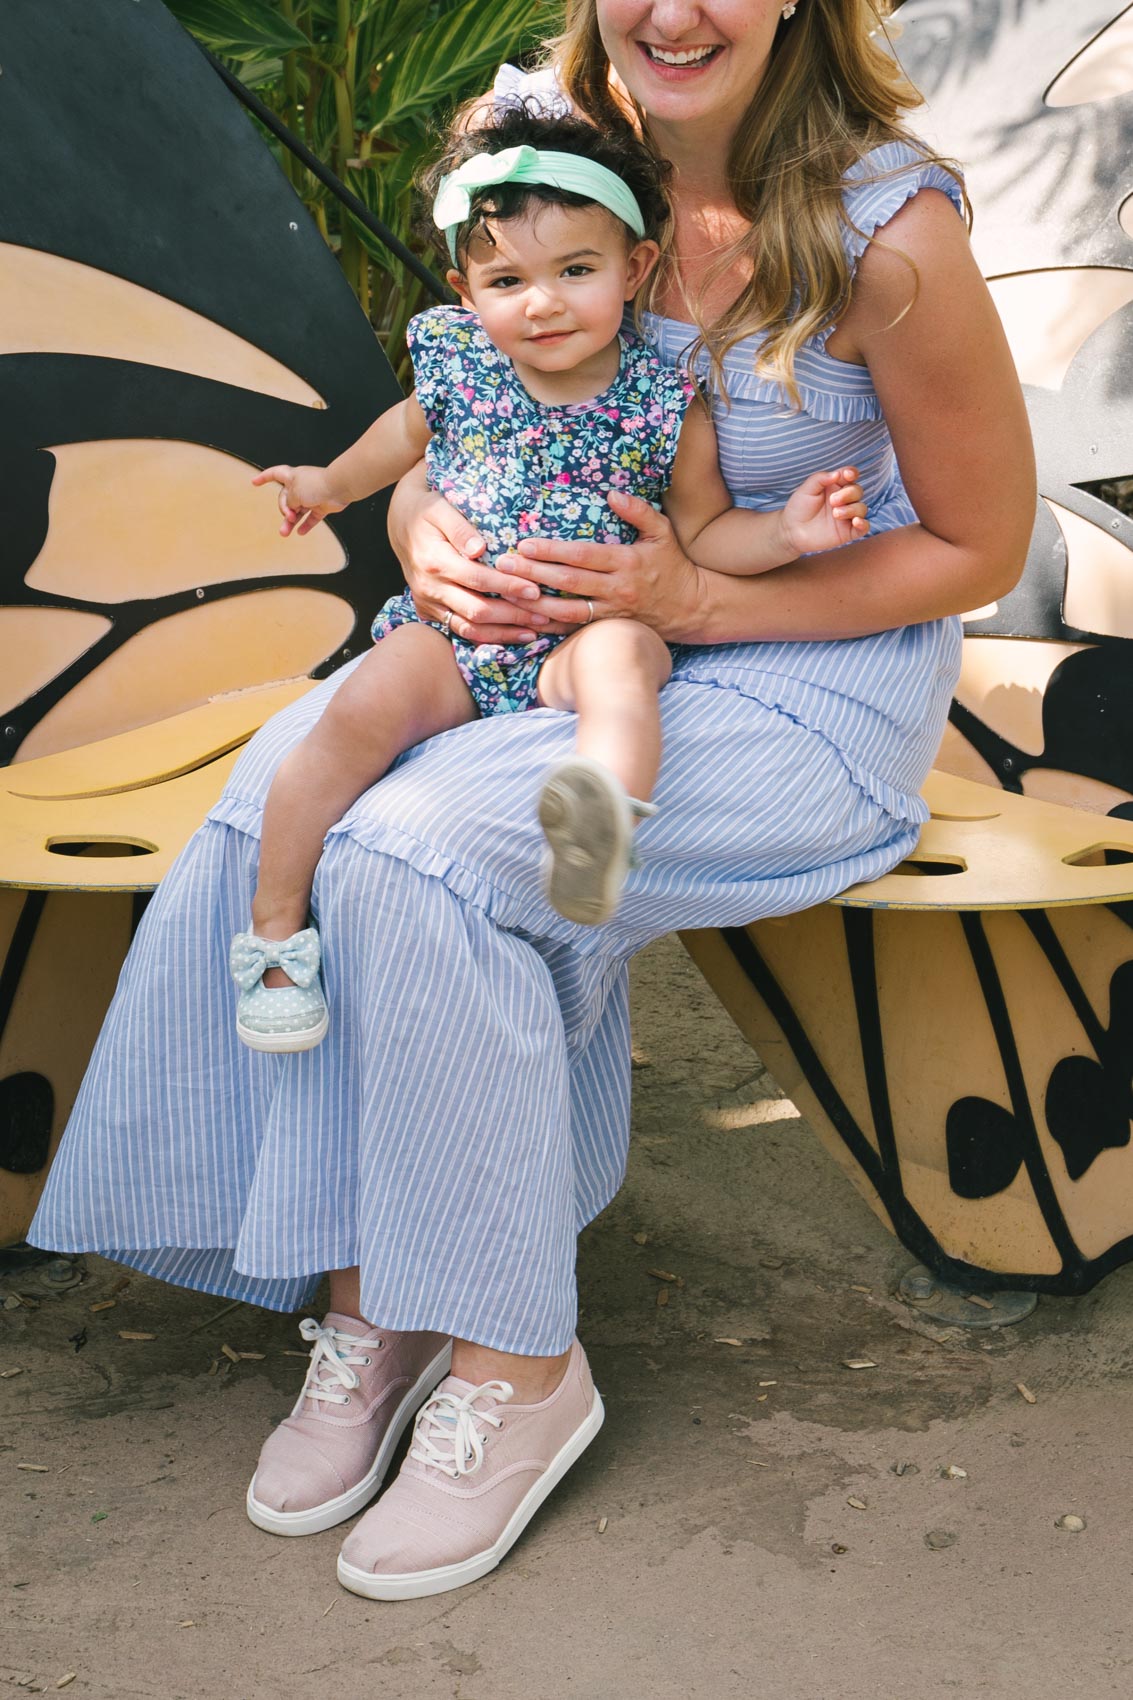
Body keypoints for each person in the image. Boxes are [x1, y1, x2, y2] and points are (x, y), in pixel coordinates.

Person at [29, 0, 1035, 1605]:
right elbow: (463, 419)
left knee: (429, 854)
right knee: (286, 799)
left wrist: (695, 605)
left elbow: (978, 546)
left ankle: (517, 1363)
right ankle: (384, 1296)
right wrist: (423, 523)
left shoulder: (884, 231)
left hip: (800, 672)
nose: (671, 13)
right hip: (525, 638)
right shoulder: (541, 153)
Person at [237, 106, 869, 1053]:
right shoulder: (460, 367)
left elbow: (702, 534)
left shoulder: (661, 400)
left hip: (569, 642)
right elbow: (393, 445)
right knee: (353, 718)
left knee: (626, 661)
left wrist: (785, 530)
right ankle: (277, 931)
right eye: (506, 280)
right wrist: (325, 485)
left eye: (575, 270)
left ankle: (599, 818)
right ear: (466, 288)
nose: (541, 302)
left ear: (635, 269)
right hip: (455, 639)